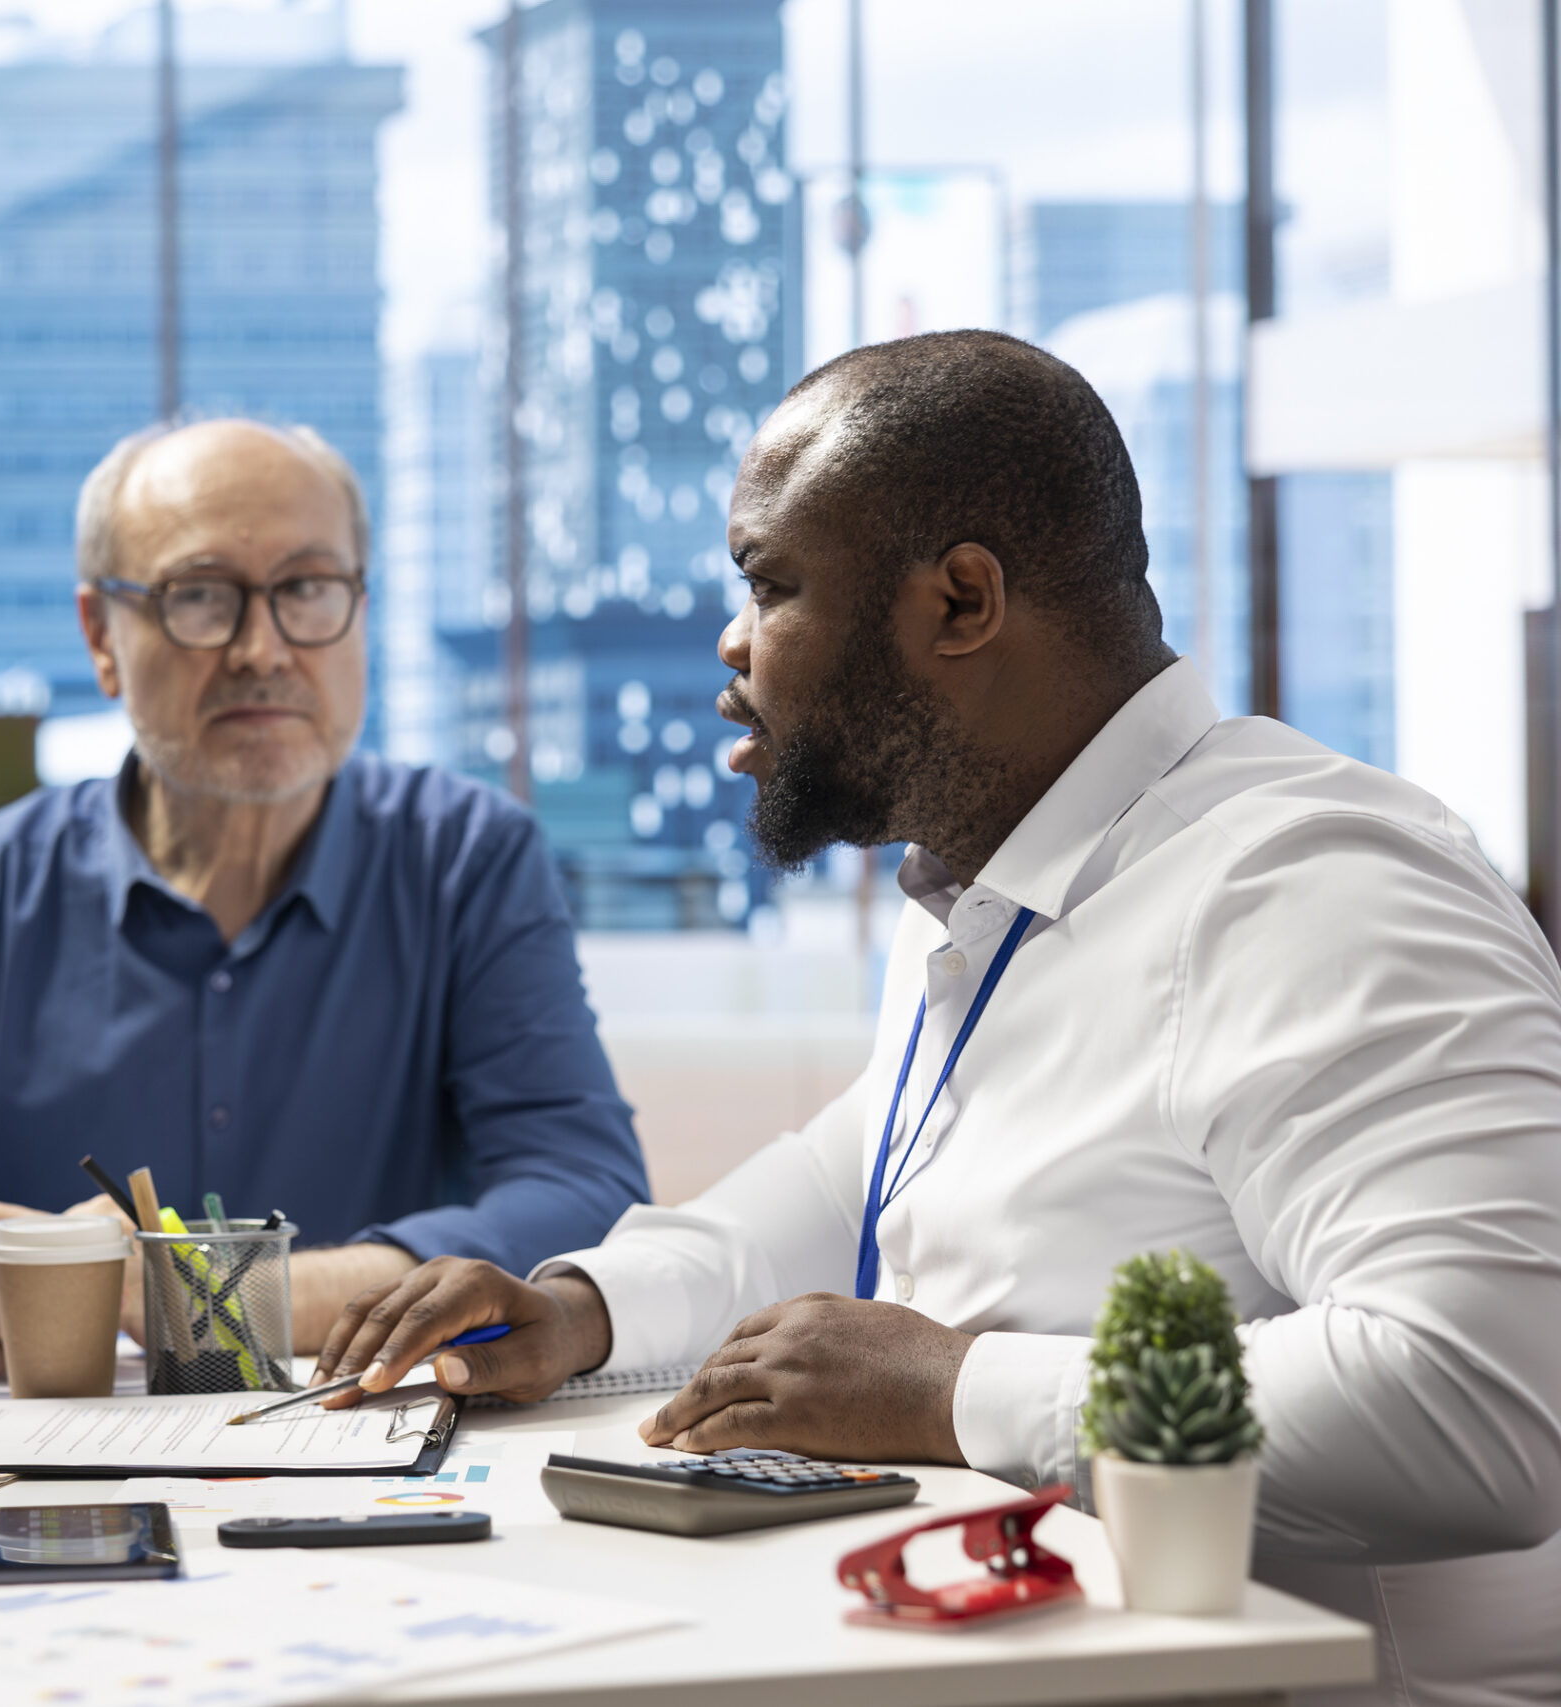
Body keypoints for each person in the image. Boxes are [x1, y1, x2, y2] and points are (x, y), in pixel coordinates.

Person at [314, 331, 1561, 1707]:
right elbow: (861, 1171)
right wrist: (584, 1306)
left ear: (961, 600)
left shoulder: (1307, 882)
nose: (729, 644)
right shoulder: (996, 877)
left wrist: (955, 1385)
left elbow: (1482, 1401)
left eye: (771, 583)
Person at [0, 419, 649, 1372]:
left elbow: (587, 1194)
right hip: (60, 1479)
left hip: (365, 1440)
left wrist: (208, 1294)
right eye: (200, 597)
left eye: (307, 590)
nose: (262, 649)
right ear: (101, 635)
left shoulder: (465, 859)